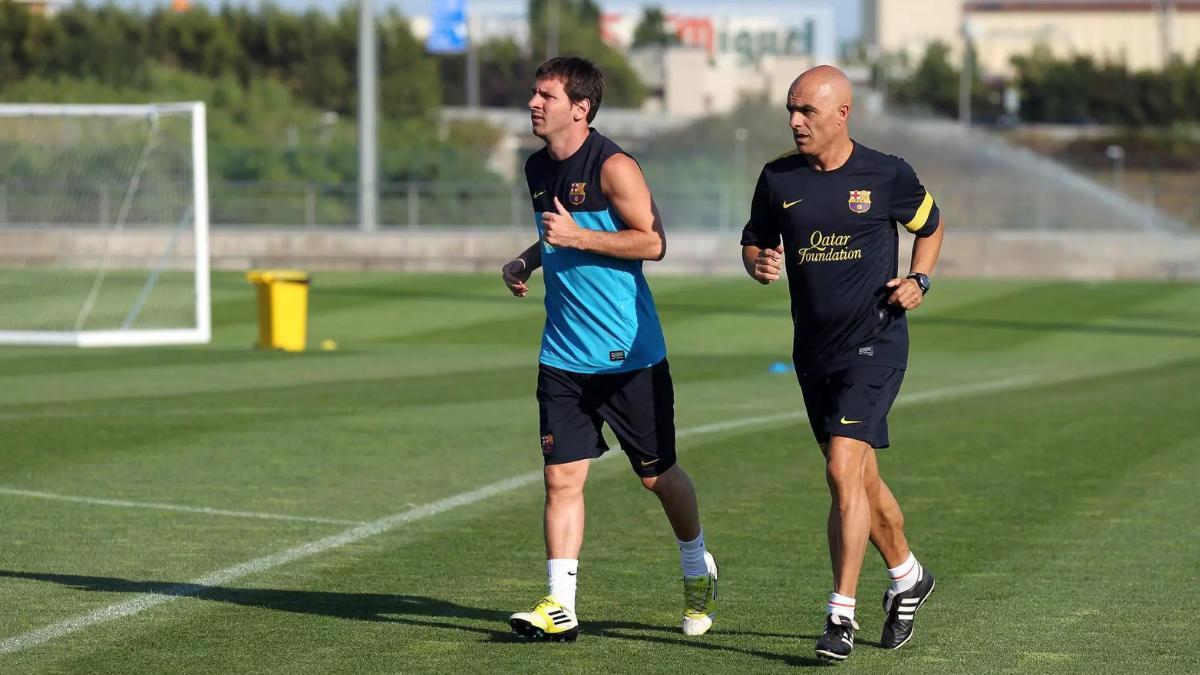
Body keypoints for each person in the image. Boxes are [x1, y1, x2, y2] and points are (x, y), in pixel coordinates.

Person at [501, 56, 717, 642]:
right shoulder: (536, 166)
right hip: (562, 356)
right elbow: (555, 231)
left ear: (581, 107)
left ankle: (696, 565)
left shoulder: (615, 166)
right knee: (561, 479)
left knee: (657, 477)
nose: (534, 103)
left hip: (629, 357)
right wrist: (528, 259)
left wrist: (578, 237)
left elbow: (654, 242)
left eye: (546, 95)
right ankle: (560, 605)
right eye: (534, 93)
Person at [739, 65, 944, 662]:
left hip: (876, 345)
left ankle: (840, 616)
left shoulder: (887, 173)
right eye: (791, 109)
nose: (795, 120)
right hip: (813, 352)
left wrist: (919, 280)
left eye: (807, 110)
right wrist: (757, 262)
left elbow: (930, 225)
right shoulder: (777, 177)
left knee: (840, 468)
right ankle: (908, 575)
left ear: (842, 114)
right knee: (860, 479)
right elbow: (754, 238)